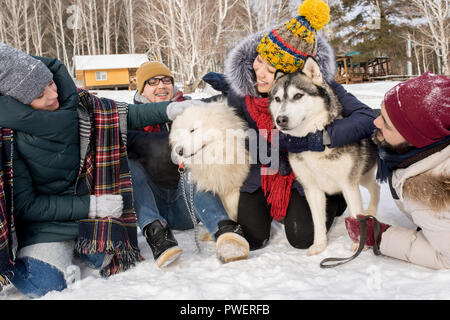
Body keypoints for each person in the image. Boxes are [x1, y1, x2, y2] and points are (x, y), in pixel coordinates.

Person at [0, 43, 198, 298]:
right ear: (19, 104)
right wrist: (92, 206)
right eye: (39, 95)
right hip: (45, 224)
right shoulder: (10, 140)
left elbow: (126, 114)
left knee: (110, 259)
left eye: (50, 82)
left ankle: (85, 247)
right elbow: (28, 206)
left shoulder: (78, 104)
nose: (52, 94)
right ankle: (22, 259)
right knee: (49, 285)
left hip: (90, 217)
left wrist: (170, 110)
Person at [202, 0, 377, 251]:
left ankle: (335, 196)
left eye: (270, 68)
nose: (259, 72)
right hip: (263, 171)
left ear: (290, 74)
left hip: (304, 173)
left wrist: (319, 139)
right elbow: (237, 130)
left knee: (302, 237)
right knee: (253, 238)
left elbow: (366, 118)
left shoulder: (318, 86)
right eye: (259, 61)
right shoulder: (242, 91)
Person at [127, 61, 250, 268]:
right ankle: (157, 235)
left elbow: (224, 104)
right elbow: (128, 139)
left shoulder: (191, 109)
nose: (161, 86)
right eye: (152, 82)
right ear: (141, 89)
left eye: (166, 80)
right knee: (129, 166)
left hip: (187, 203)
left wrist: (230, 84)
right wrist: (161, 145)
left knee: (198, 161)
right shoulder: (131, 117)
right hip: (152, 202)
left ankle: (224, 230)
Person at [345, 72, 450, 270]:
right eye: (381, 113)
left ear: (416, 140)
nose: (376, 122)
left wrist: (380, 236)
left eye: (386, 123)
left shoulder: (433, 195)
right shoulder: (424, 148)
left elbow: (447, 257)